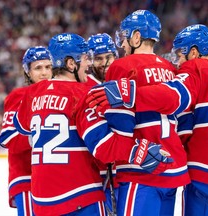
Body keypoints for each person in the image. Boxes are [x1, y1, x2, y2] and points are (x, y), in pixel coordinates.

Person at [87, 24, 208, 216]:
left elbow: (172, 97)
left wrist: (131, 93)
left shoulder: (195, 69)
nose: (178, 62)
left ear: (194, 52)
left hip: (206, 179)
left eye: (180, 55)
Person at [13, 32, 171, 216]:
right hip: (79, 196)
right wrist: (140, 150)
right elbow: (104, 146)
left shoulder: (33, 93)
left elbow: (21, 126)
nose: (88, 64)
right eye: (85, 58)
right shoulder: (81, 94)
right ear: (71, 64)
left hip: (41, 201)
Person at [90, 9, 190, 216]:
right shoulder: (170, 68)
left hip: (141, 169)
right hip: (173, 166)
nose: (123, 45)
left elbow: (122, 127)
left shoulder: (121, 66)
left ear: (136, 37)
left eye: (125, 38)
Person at [0, 46, 53, 216]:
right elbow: (8, 137)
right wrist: (39, 136)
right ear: (27, 72)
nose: (44, 73)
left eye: (48, 67)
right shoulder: (19, 96)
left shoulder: (58, 94)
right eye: (38, 68)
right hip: (26, 178)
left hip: (53, 179)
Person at [87, 32, 119, 214]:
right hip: (94, 174)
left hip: (121, 172)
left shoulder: (124, 84)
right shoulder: (85, 87)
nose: (105, 62)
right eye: (99, 58)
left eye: (109, 57)